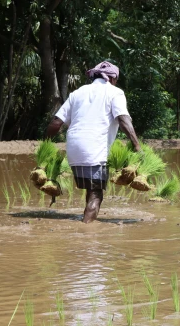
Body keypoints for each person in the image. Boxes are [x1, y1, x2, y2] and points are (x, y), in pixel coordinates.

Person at [45, 61, 141, 223]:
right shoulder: (114, 92)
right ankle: (86, 233)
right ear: (112, 78)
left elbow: (56, 122)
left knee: (91, 189)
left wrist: (44, 145)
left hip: (74, 150)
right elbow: (123, 119)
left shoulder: (77, 93)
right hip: (95, 149)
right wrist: (137, 146)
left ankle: (86, 219)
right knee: (96, 194)